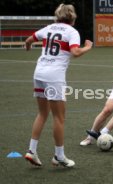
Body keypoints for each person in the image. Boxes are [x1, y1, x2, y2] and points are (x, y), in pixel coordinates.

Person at [24, 4, 92, 167]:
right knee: (59, 118)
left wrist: (28, 48)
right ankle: (59, 156)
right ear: (72, 18)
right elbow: (75, 53)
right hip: (54, 77)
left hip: (39, 73)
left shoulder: (48, 28)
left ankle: (31, 151)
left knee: (42, 114)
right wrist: (87, 47)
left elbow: (29, 40)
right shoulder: (71, 32)